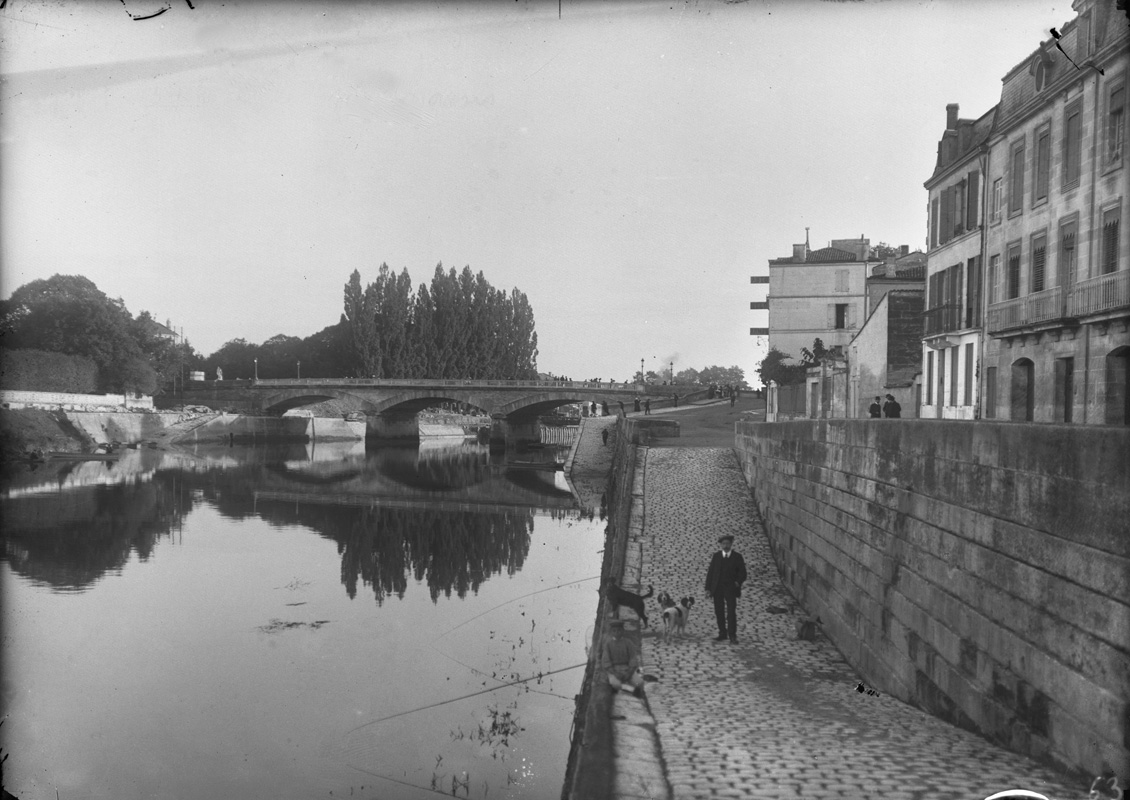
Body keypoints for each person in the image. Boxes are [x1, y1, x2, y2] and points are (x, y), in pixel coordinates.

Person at [705, 534, 747, 644]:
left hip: (731, 589)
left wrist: (737, 583)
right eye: (723, 544)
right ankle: (722, 633)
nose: (726, 546)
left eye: (728, 543)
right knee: (719, 611)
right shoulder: (716, 556)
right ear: (721, 545)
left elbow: (743, 573)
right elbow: (711, 573)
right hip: (718, 588)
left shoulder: (737, 557)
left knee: (731, 612)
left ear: (731, 544)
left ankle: (732, 635)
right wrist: (708, 588)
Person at [600, 620, 644, 697]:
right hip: (614, 670)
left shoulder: (628, 642)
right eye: (614, 631)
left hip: (627, 669)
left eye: (619, 630)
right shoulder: (608, 644)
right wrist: (615, 673)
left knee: (639, 682)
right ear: (611, 632)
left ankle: (634, 690)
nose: (617, 633)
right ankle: (630, 690)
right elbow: (606, 662)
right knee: (616, 684)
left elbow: (633, 658)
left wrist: (629, 673)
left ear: (623, 631)